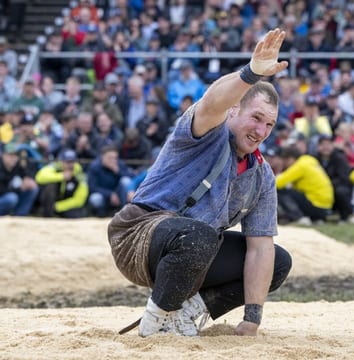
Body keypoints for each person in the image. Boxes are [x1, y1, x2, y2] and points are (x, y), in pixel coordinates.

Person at [107, 29, 292, 338]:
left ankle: (188, 310)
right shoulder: (207, 131)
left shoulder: (262, 176)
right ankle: (158, 322)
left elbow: (260, 249)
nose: (261, 130)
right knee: (200, 235)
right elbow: (211, 102)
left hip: (195, 252)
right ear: (234, 110)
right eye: (256, 118)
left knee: (279, 260)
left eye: (269, 124)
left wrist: (252, 319)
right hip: (138, 237)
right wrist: (251, 73)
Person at [275, 145, 334, 225]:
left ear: (290, 159)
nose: (285, 165)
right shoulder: (309, 160)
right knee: (293, 192)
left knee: (281, 191)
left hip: (316, 204)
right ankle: (316, 219)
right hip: (326, 206)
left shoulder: (300, 166)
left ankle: (299, 218)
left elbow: (277, 183)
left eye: (285, 161)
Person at [34, 149, 88, 218]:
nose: (70, 165)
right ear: (61, 161)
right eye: (67, 162)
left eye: (72, 162)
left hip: (65, 204)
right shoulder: (55, 167)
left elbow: (80, 199)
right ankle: (46, 214)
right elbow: (39, 177)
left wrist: (58, 206)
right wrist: (61, 176)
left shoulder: (79, 174)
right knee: (50, 186)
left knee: (74, 214)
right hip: (51, 202)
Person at [0, 142, 38, 216]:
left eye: (15, 155)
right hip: (4, 198)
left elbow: (27, 174)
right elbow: (2, 190)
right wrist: (19, 188)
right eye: (10, 155)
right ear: (3, 155)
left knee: (33, 188)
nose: (13, 158)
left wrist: (28, 180)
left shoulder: (17, 166)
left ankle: (20, 216)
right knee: (11, 198)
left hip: (12, 195)